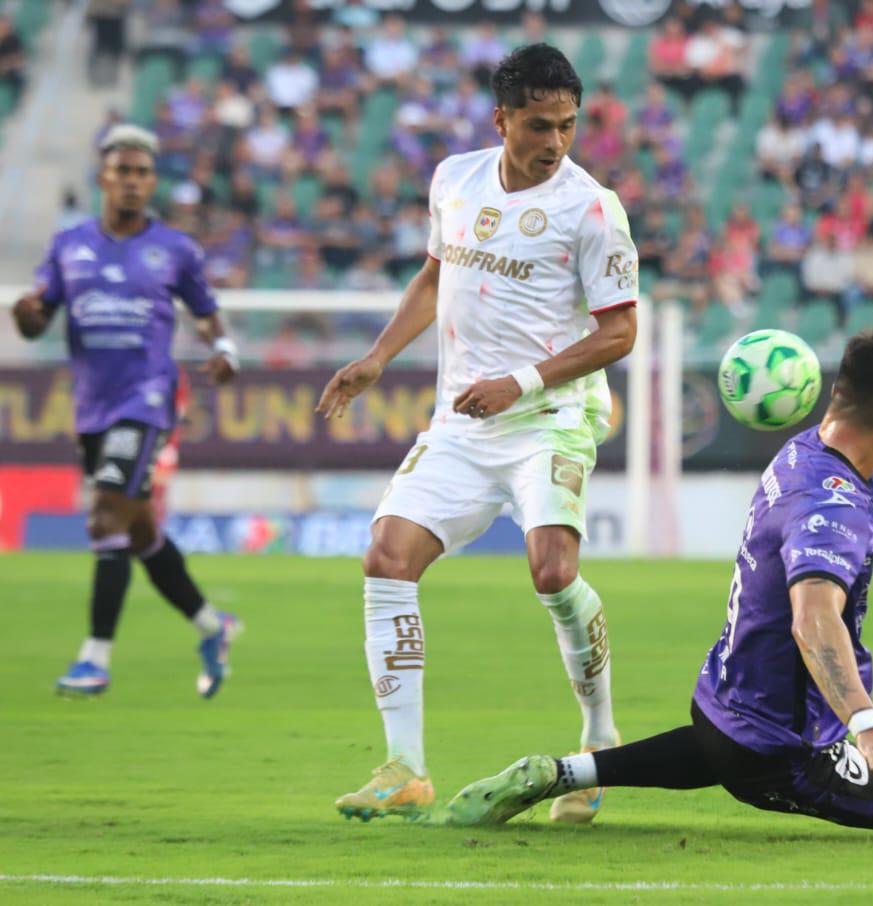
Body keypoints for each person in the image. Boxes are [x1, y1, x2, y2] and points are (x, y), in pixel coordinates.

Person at [438, 335, 873, 838]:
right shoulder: (829, 508)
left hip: (723, 692)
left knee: (715, 748)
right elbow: (815, 620)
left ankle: (557, 772)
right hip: (786, 744)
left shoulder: (810, 447)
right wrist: (867, 723)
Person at [317, 44, 637, 826]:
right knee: (386, 558)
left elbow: (620, 333)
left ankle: (598, 746)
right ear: (501, 119)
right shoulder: (454, 179)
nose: (554, 142)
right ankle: (406, 768)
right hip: (463, 422)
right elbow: (435, 276)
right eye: (537, 124)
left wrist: (521, 383)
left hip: (547, 420)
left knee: (552, 573)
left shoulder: (592, 207)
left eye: (567, 124)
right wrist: (377, 358)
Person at [10, 125, 242, 698]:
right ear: (103, 179)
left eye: (143, 173)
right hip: (92, 406)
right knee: (138, 531)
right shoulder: (69, 248)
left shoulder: (175, 250)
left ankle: (94, 659)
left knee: (103, 516)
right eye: (123, 171)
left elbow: (207, 312)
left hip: (147, 399)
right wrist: (26, 315)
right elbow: (38, 318)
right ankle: (214, 626)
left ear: (151, 181)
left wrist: (224, 347)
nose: (133, 182)